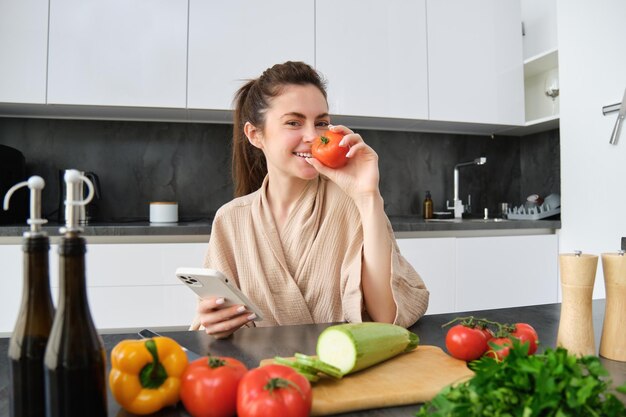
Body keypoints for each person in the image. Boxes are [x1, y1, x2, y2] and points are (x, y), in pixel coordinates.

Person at [191, 61, 429, 338]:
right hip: (266, 375)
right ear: (255, 135)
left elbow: (388, 316)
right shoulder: (231, 219)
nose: (312, 136)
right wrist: (215, 323)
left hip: (347, 370)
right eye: (294, 122)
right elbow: (217, 324)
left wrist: (368, 197)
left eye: (321, 123)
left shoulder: (353, 204)